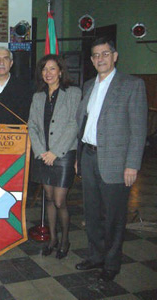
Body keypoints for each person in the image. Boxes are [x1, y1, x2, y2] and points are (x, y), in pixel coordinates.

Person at [75, 37, 148, 282]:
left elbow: (139, 129)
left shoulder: (132, 85)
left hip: (117, 162)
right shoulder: (88, 86)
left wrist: (132, 164)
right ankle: (95, 256)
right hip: (88, 156)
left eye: (105, 54)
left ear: (114, 56)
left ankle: (111, 262)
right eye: (96, 55)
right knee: (92, 213)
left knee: (115, 216)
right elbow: (82, 123)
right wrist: (78, 156)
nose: (100, 59)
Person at [28, 54, 81, 259]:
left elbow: (74, 124)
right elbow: (32, 124)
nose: (48, 73)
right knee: (48, 198)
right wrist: (42, 151)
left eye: (52, 68)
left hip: (64, 154)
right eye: (44, 69)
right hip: (43, 154)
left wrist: (55, 152)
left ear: (60, 71)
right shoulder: (38, 96)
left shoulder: (73, 93)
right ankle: (53, 239)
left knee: (60, 201)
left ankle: (65, 239)